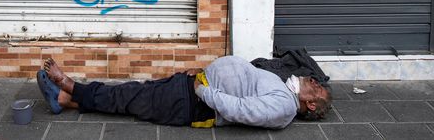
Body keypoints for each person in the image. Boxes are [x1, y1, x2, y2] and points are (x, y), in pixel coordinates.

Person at [37, 55, 331, 129]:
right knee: (132, 95)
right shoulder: (282, 89)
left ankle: (70, 86)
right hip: (193, 87)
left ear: (312, 106)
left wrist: (204, 91)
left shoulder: (284, 107)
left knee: (127, 97)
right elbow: (242, 78)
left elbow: (243, 110)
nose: (315, 82)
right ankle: (63, 100)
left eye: (318, 89)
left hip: (193, 102)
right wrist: (203, 71)